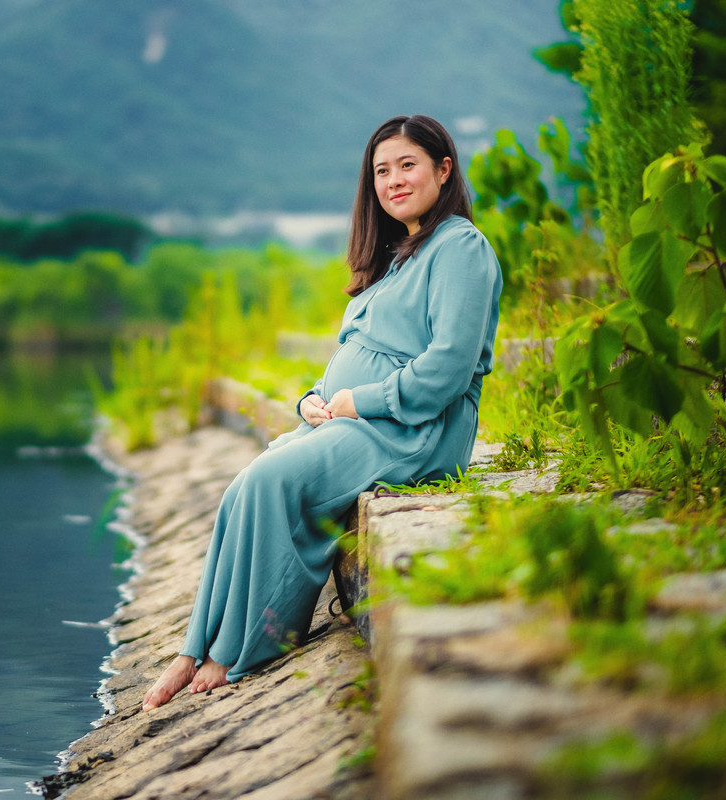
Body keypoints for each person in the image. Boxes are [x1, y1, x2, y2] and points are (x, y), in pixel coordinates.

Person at [141, 115, 503, 712]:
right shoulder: (399, 258)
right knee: (242, 487)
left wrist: (356, 402)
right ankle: (193, 646)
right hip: (363, 421)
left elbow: (447, 368)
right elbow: (354, 358)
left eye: (407, 165)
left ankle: (242, 647)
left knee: (269, 480)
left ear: (444, 169)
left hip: (415, 432)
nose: (393, 181)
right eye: (381, 171)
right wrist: (312, 400)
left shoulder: (460, 247)